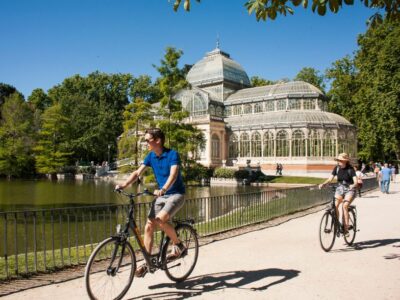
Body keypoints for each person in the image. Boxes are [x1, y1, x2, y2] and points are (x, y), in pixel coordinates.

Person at [115, 128, 186, 277]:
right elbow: (137, 172)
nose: (145, 142)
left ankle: (179, 245)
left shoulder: (172, 154)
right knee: (148, 225)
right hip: (162, 195)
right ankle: (148, 262)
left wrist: (164, 188)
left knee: (160, 220)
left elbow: (173, 174)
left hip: (176, 194)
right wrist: (124, 185)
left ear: (158, 140)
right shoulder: (151, 156)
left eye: (147, 140)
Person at [319, 153, 357, 237]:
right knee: (335, 205)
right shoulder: (336, 168)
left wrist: (353, 185)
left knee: (345, 206)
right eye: (338, 160)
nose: (338, 162)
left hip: (350, 190)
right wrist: (323, 184)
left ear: (345, 161)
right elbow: (330, 178)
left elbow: (356, 181)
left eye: (340, 160)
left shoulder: (350, 169)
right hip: (340, 189)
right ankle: (336, 223)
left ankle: (346, 229)